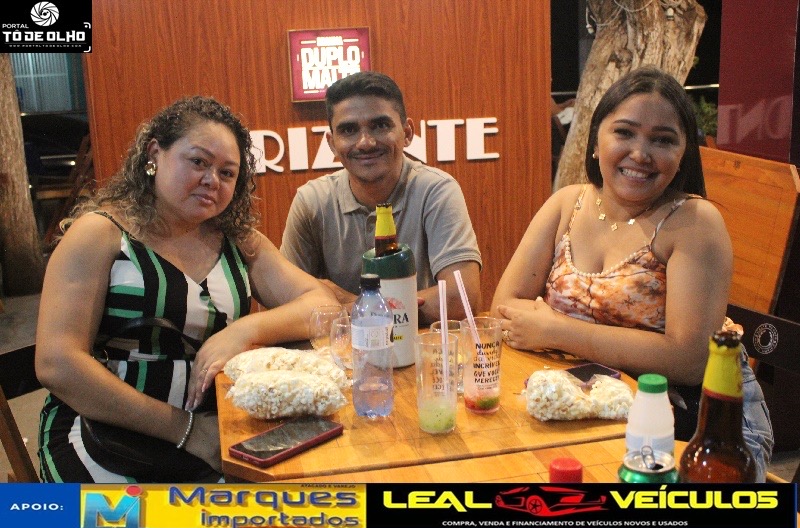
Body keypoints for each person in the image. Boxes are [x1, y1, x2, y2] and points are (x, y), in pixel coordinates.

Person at [35, 96, 339, 482]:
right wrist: (187, 431)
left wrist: (242, 331)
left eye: (227, 173)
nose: (212, 180)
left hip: (216, 431)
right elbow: (57, 364)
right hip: (103, 436)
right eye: (198, 162)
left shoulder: (240, 241)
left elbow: (323, 306)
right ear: (154, 155)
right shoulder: (100, 233)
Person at [491, 66, 773, 481]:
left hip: (703, 430)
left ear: (683, 155)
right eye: (624, 133)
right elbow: (504, 308)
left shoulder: (695, 222)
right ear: (595, 142)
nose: (640, 153)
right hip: (597, 405)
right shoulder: (567, 204)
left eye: (663, 140)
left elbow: (690, 359)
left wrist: (556, 331)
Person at [280, 71, 482, 324]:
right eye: (349, 130)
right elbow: (285, 305)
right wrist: (402, 305)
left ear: (407, 132)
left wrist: (353, 304)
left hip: (416, 346)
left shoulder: (436, 190)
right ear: (331, 143)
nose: (365, 142)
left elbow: (461, 300)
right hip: (340, 349)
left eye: (380, 125)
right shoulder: (312, 201)